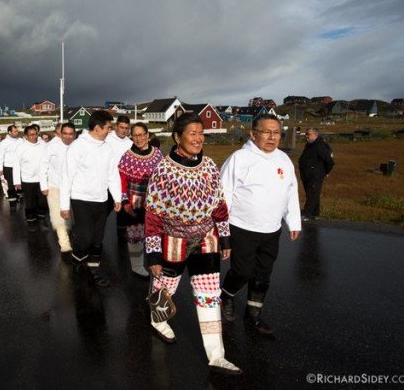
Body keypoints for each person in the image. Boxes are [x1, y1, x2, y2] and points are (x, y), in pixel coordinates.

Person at [144, 113, 241, 375]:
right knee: (167, 286)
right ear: (177, 137)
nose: (198, 139)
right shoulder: (164, 170)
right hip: (173, 241)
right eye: (192, 134)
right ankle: (157, 319)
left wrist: (225, 237)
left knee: (209, 296)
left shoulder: (209, 165)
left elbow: (220, 205)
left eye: (201, 133)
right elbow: (153, 216)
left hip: (207, 240)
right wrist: (153, 255)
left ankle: (216, 355)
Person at [220, 114, 301, 335]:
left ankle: (253, 316)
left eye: (277, 132)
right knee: (243, 271)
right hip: (242, 227)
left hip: (271, 229)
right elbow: (223, 194)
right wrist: (221, 228)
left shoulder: (283, 159)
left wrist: (293, 220)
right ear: (253, 133)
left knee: (263, 274)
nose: (272, 137)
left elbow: (290, 192)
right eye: (266, 132)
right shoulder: (239, 158)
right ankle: (225, 296)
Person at [60, 110, 122, 288]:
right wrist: (64, 205)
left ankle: (94, 270)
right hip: (81, 199)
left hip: (101, 200)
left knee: (97, 239)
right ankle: (77, 262)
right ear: (97, 128)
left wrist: (117, 197)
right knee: (85, 238)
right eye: (108, 128)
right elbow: (67, 177)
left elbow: (112, 174)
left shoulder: (107, 148)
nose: (109, 131)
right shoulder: (78, 147)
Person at [118, 122, 163, 277]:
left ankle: (156, 264)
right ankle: (137, 266)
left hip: (154, 199)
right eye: (135, 135)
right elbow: (122, 181)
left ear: (147, 135)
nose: (138, 138)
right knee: (135, 234)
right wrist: (125, 201)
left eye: (141, 135)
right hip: (135, 199)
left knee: (154, 233)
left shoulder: (157, 154)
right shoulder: (127, 156)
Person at [40, 122, 76, 252]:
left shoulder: (76, 146)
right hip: (55, 185)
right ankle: (64, 243)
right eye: (63, 133)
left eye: (69, 134)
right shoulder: (51, 147)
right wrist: (44, 185)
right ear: (58, 134)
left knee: (71, 213)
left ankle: (70, 232)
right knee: (57, 215)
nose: (67, 136)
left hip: (73, 187)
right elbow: (43, 165)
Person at [13, 126, 49, 232]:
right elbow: (16, 165)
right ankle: (31, 221)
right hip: (27, 180)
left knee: (43, 202)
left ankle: (41, 219)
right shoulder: (21, 148)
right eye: (31, 135)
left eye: (36, 134)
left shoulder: (43, 146)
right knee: (30, 203)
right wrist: (17, 182)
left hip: (42, 179)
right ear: (26, 136)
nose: (34, 137)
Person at [105, 115, 133, 245]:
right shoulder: (107, 139)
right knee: (105, 210)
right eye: (121, 127)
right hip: (108, 182)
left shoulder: (130, 143)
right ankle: (96, 236)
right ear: (116, 126)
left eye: (126, 128)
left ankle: (121, 241)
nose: (123, 130)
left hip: (124, 183)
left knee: (122, 213)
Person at [299, 128, 334, 221]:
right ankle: (315, 212)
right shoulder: (310, 144)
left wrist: (327, 171)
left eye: (308, 134)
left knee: (312, 193)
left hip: (315, 174)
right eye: (306, 134)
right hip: (308, 174)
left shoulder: (320, 145)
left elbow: (329, 160)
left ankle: (307, 213)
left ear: (315, 134)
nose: (306, 136)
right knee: (312, 193)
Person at [0, 125, 23, 209]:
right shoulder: (4, 142)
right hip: (9, 166)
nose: (17, 133)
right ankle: (12, 203)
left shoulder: (21, 141)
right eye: (15, 131)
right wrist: (0, 169)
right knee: (11, 185)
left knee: (21, 184)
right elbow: (0, 156)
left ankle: (19, 197)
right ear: (9, 132)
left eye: (17, 131)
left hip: (20, 166)